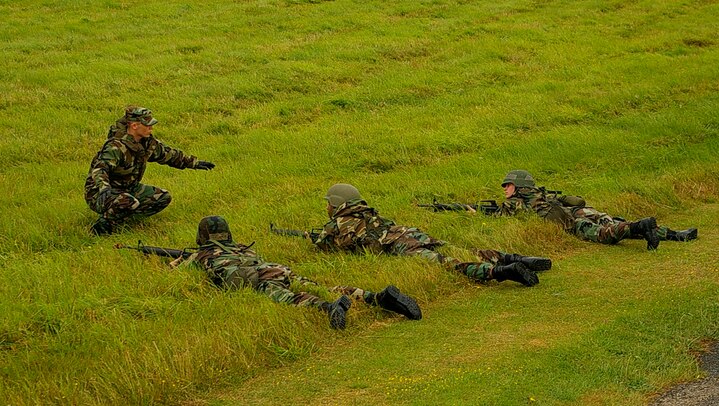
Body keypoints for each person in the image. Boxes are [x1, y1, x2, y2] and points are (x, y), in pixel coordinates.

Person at [185, 216, 422, 330]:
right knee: (322, 286)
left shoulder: (201, 255)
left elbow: (178, 270)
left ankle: (329, 308)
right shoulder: (241, 248)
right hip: (276, 268)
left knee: (292, 297)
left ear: (202, 235)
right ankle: (375, 297)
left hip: (258, 279)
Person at [308, 184, 547, 287]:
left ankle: (501, 272)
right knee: (460, 250)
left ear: (337, 204)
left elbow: (325, 246)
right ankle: (516, 258)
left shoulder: (338, 224)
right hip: (410, 233)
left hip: (400, 247)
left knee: (450, 263)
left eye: (329, 204)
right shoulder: (369, 213)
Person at [84, 106, 216, 235]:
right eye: (147, 125)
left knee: (162, 197)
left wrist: (194, 163)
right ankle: (102, 227)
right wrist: (104, 188)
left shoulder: (146, 143)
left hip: (128, 188)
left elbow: (168, 154)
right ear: (134, 126)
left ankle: (124, 217)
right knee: (128, 201)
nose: (151, 128)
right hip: (99, 193)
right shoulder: (116, 147)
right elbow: (100, 170)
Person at [494, 170, 698, 250]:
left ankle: (639, 226)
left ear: (518, 186)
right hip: (581, 212)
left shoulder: (518, 202)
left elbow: (498, 215)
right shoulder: (545, 195)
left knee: (604, 235)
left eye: (508, 185)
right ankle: (675, 235)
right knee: (615, 224)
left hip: (573, 223)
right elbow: (579, 201)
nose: (505, 188)